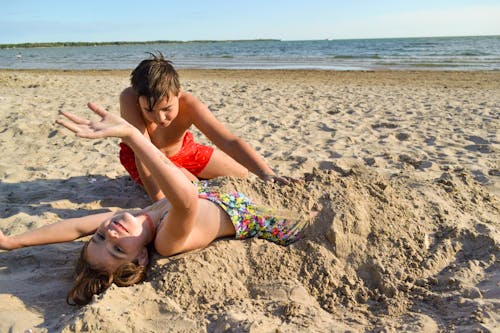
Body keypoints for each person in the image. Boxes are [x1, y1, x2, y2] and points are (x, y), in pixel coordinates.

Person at [0, 103, 308, 305]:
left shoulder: (139, 217)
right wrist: (134, 138)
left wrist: (14, 241)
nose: (112, 234)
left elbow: (78, 225)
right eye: (119, 249)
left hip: (234, 194)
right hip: (287, 224)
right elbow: (186, 199)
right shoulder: (166, 240)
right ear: (143, 258)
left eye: (101, 237)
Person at [119, 52, 291, 202]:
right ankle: (186, 176)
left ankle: (186, 173)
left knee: (242, 174)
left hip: (184, 150)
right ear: (137, 98)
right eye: (149, 110)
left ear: (178, 93)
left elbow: (229, 141)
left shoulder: (189, 104)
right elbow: (143, 154)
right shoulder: (129, 99)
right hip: (145, 158)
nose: (160, 118)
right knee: (193, 189)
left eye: (166, 109)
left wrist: (267, 173)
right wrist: (159, 202)